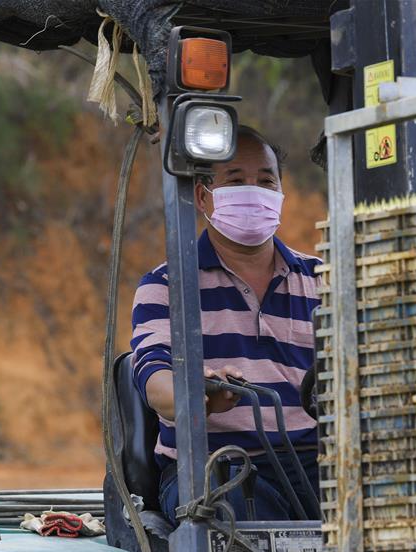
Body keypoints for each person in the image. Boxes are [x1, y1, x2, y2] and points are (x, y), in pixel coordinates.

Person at [130, 126, 321, 526]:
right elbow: (154, 379)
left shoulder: (325, 278)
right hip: (217, 465)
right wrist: (194, 394)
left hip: (317, 465)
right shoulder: (166, 286)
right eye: (236, 181)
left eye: (266, 181)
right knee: (239, 517)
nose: (254, 191)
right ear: (203, 196)